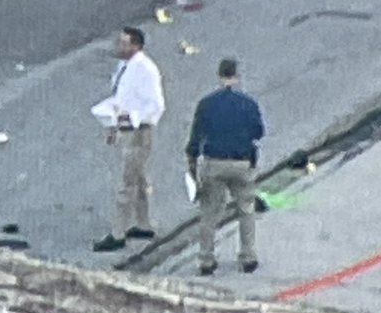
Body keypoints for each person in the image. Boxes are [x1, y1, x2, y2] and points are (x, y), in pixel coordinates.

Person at [185, 58, 265, 276]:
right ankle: (248, 257)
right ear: (237, 76)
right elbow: (258, 132)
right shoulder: (249, 104)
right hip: (241, 162)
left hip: (214, 163)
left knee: (209, 212)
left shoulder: (206, 104)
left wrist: (192, 162)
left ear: (219, 76)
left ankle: (206, 259)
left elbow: (195, 138)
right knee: (246, 209)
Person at [93, 26, 166, 252]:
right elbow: (122, 97)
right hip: (128, 129)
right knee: (140, 179)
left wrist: (131, 117)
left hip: (138, 132)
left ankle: (118, 233)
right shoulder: (125, 66)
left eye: (124, 43)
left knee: (127, 183)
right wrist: (114, 125)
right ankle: (144, 224)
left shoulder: (146, 70)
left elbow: (156, 106)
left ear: (136, 45)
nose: (119, 46)